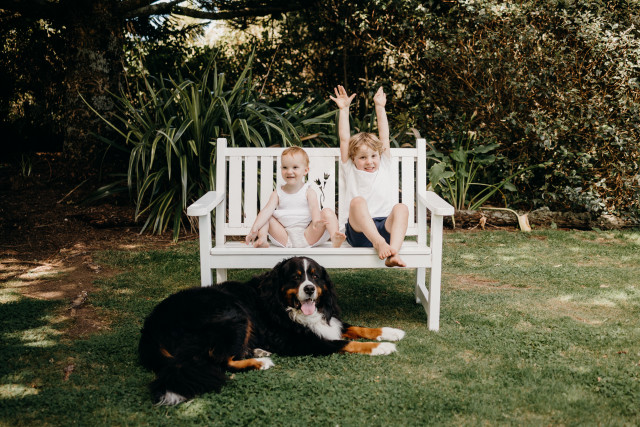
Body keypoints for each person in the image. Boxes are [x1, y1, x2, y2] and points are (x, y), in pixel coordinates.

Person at [330, 85, 408, 267]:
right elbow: (344, 139)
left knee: (401, 208)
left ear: (379, 155)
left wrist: (380, 107)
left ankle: (393, 253)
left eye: (373, 156)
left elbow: (384, 137)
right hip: (358, 231)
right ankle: (379, 244)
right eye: (363, 157)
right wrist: (344, 109)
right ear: (353, 158)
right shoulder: (349, 168)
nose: (369, 162)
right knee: (357, 202)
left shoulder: (385, 164)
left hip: (384, 227)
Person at [245, 146, 346, 248]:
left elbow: (314, 209)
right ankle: (262, 239)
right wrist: (254, 228)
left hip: (308, 234)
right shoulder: (277, 193)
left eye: (295, 167)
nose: (289, 171)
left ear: (305, 170)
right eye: (285, 167)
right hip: (284, 236)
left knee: (327, 212)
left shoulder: (309, 192)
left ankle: (335, 237)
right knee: (266, 216)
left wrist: (316, 223)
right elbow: (266, 211)